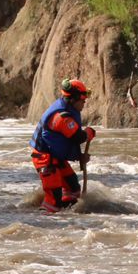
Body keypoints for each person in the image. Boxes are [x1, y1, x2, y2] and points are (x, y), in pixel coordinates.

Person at [29, 78, 97, 214]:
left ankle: (65, 214)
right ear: (73, 99)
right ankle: (46, 221)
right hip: (45, 159)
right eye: (82, 100)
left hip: (56, 157)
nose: (84, 103)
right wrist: (89, 133)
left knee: (73, 189)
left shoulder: (68, 109)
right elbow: (78, 137)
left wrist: (80, 157)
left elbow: (64, 142)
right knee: (53, 199)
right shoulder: (61, 117)